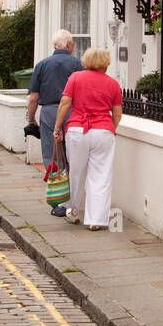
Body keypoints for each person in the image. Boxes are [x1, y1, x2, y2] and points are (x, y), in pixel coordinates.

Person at [53, 47, 122, 232]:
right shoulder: (113, 84)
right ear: (105, 64)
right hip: (103, 131)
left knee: (76, 173)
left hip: (77, 130)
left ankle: (73, 213)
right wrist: (110, 130)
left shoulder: (75, 78)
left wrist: (57, 127)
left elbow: (65, 103)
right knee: (100, 176)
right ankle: (96, 220)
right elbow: (117, 114)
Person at [26, 30, 83, 216]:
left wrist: (31, 119)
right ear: (67, 44)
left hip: (50, 113)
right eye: (72, 43)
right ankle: (75, 201)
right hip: (74, 112)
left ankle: (58, 204)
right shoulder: (78, 64)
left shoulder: (42, 65)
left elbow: (33, 97)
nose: (73, 46)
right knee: (73, 156)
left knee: (53, 155)